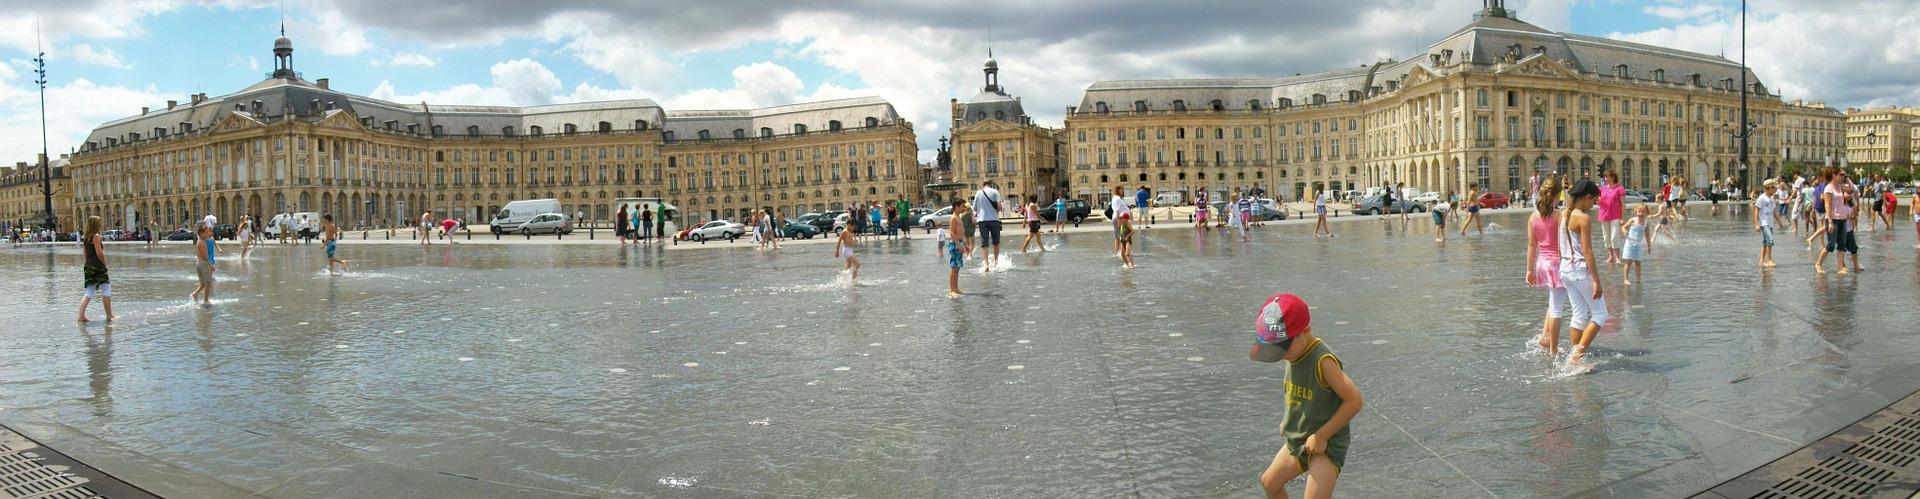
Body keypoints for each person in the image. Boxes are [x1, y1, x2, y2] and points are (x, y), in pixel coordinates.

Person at [1250, 293, 1364, 499]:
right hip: (1298, 438)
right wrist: (1289, 421)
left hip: (1327, 444)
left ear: (1306, 332)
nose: (1281, 353)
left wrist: (1321, 436)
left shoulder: (1323, 361)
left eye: (1283, 346)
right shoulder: (1292, 353)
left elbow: (1354, 400)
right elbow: (1299, 394)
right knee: (1270, 482)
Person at [1559, 179, 1608, 370]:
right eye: (1594, 201)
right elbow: (1587, 251)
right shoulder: (1583, 218)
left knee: (1578, 313)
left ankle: (1576, 354)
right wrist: (1597, 280)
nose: (1593, 205)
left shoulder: (1564, 214)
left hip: (1565, 269)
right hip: (1579, 270)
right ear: (1587, 197)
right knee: (1600, 314)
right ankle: (1576, 356)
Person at [1526, 176, 1567, 357]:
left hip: (1541, 263)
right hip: (1556, 264)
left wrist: (1529, 270)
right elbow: (1563, 244)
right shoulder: (1559, 216)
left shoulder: (1533, 217)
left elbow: (1531, 246)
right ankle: (1553, 349)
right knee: (1557, 307)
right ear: (1558, 195)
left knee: (1552, 301)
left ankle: (1545, 336)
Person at [1816, 171, 1859, 274]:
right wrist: (1830, 222)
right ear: (1834, 176)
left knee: (1841, 245)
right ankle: (1818, 264)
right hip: (1833, 219)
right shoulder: (1828, 188)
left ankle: (1840, 268)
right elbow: (1827, 206)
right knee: (1831, 245)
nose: (1842, 176)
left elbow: (1853, 189)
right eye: (1841, 175)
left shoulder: (1840, 186)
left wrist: (1847, 177)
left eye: (1843, 175)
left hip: (1842, 219)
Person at [77, 216, 117, 323]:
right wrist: (104, 264)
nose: (101, 224)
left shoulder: (86, 238)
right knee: (106, 290)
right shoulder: (96, 237)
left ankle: (81, 315)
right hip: (98, 266)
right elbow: (99, 253)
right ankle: (109, 315)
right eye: (99, 223)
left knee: (89, 292)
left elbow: (85, 253)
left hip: (89, 265)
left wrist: (87, 265)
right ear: (96, 225)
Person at [972, 180, 1005, 271]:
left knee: (984, 243)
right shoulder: (995, 191)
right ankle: (996, 262)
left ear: (983, 185)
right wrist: (997, 209)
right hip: (994, 219)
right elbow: (999, 206)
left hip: (982, 220)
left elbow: (974, 208)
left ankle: (986, 264)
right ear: (991, 184)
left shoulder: (978, 193)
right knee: (996, 242)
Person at [940, 199, 970, 297]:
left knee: (957, 268)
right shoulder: (953, 218)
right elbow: (952, 233)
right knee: (954, 268)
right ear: (956, 207)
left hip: (960, 243)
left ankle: (956, 288)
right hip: (955, 244)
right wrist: (959, 245)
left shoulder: (958, 217)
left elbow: (960, 233)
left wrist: (965, 245)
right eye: (962, 206)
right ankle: (952, 289)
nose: (963, 208)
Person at [1596, 172, 1625, 264]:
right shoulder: (1602, 189)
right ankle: (1610, 256)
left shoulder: (1619, 188)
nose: (1605, 178)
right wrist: (1596, 199)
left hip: (1615, 215)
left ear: (1612, 177)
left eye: (1606, 177)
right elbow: (1599, 202)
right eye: (1604, 177)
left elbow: (1623, 205)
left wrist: (1622, 218)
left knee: (1614, 237)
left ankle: (1617, 257)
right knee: (1606, 237)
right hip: (1604, 215)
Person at [1621, 204, 1651, 286]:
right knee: (1628, 262)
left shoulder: (1646, 223)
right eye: (1639, 212)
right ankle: (1625, 279)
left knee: (1638, 263)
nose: (1640, 214)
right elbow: (1624, 227)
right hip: (1629, 245)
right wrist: (1624, 231)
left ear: (1646, 213)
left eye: (1643, 212)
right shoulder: (1633, 220)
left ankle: (1638, 279)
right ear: (1636, 212)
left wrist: (1649, 246)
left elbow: (1648, 235)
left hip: (1638, 246)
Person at [1754, 180, 1780, 268]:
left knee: (1765, 242)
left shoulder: (1772, 198)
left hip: (1770, 223)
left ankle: (1761, 261)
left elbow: (1774, 213)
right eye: (1773, 188)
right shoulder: (1761, 198)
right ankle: (1769, 260)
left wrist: (1780, 223)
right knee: (1770, 240)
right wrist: (1757, 224)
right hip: (1764, 223)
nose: (1775, 190)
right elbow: (1756, 211)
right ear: (1768, 188)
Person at [191, 217, 217, 306]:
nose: (207, 234)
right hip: (203, 264)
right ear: (201, 233)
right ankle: (206, 300)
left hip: (199, 264)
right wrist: (211, 265)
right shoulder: (201, 242)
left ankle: (195, 294)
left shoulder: (200, 241)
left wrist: (205, 226)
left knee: (202, 283)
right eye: (205, 233)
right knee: (208, 283)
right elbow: (205, 257)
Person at [1116, 203, 1136, 269]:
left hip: (1127, 240)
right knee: (1122, 254)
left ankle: (1132, 266)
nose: (1121, 219)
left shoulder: (1128, 222)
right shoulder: (1121, 223)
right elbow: (1119, 228)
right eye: (1121, 218)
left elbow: (1133, 231)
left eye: (1123, 218)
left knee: (1127, 253)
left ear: (1126, 218)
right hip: (1122, 241)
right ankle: (1128, 264)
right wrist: (1118, 217)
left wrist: (1128, 236)